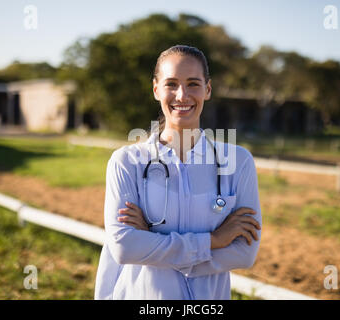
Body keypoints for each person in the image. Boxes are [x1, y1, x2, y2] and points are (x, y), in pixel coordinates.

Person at [95, 45, 262, 300]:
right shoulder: (126, 162)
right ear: (156, 89)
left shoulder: (238, 162)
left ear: (207, 89)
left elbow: (244, 253)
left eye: (193, 84)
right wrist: (213, 241)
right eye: (171, 84)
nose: (182, 95)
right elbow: (124, 247)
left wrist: (150, 241)